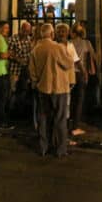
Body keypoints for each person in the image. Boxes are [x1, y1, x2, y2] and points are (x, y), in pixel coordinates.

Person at [29, 23, 74, 157]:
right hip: (59, 88)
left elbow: (32, 72)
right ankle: (60, 149)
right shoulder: (57, 47)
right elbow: (68, 63)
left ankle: (43, 147)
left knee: (43, 118)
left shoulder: (35, 49)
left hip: (43, 88)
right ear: (52, 34)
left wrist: (37, 82)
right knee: (60, 119)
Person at [70, 24, 97, 136]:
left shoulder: (69, 43)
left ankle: (69, 120)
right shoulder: (87, 43)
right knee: (80, 99)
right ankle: (75, 125)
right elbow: (94, 57)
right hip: (82, 73)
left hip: (70, 73)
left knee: (70, 98)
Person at [8, 20, 34, 116]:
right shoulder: (13, 39)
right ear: (20, 29)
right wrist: (18, 59)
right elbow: (9, 53)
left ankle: (20, 112)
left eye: (28, 31)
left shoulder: (29, 39)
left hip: (25, 70)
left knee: (23, 90)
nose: (26, 33)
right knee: (12, 90)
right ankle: (10, 111)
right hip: (14, 69)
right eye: (24, 30)